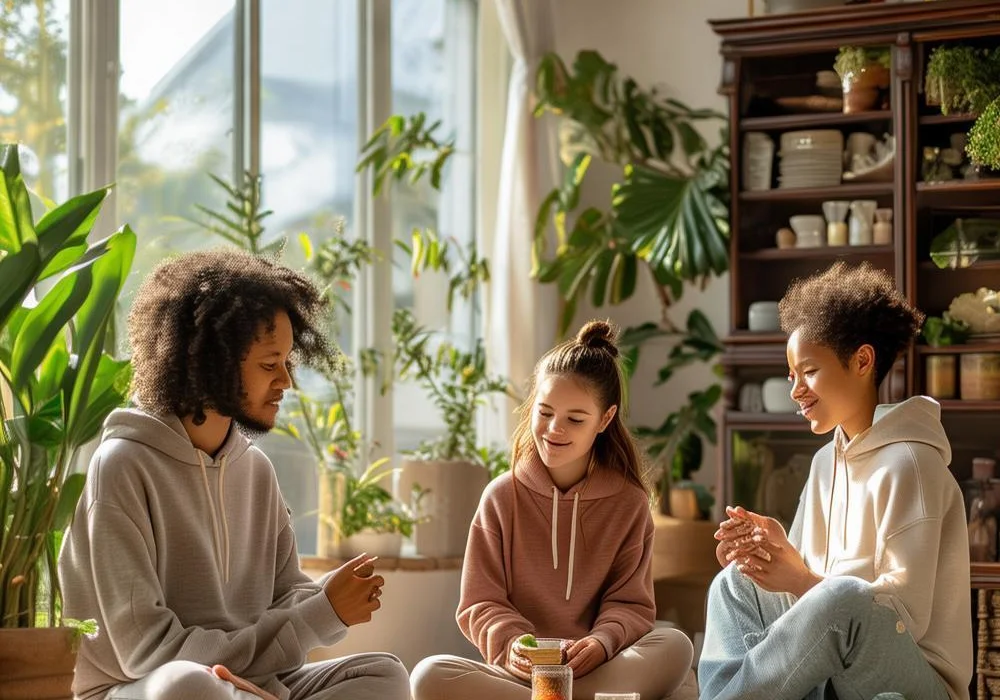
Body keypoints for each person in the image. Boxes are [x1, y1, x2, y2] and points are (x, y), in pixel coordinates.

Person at [58, 250, 410, 700]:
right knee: (187, 684)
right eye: (269, 364)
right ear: (213, 363)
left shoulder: (256, 470)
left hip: (250, 685)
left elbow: (285, 599)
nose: (286, 381)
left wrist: (327, 599)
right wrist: (315, 617)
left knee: (383, 675)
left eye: (287, 362)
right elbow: (146, 654)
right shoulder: (123, 466)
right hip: (140, 688)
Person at [699, 261, 973, 700]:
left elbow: (900, 615)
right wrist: (773, 555)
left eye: (809, 371)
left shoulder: (912, 463)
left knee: (843, 598)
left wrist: (800, 579)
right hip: (835, 667)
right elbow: (806, 610)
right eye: (792, 376)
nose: (796, 390)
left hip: (916, 677)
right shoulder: (824, 462)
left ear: (862, 360)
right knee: (735, 582)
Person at [410, 320, 695, 700]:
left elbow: (630, 604)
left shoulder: (629, 504)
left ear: (605, 419)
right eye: (545, 413)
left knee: (675, 646)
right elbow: (480, 601)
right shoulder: (501, 497)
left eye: (575, 419)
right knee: (429, 675)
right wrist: (511, 643)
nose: (554, 429)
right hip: (520, 675)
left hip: (598, 667)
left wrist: (601, 642)